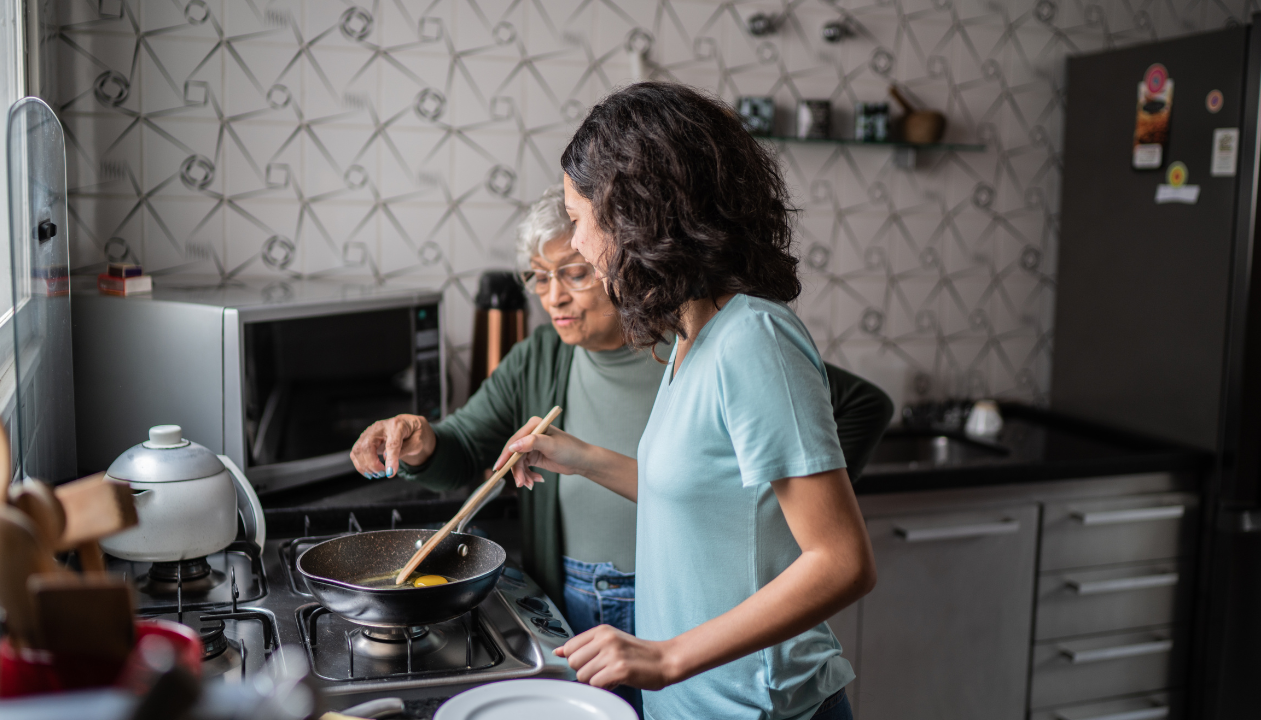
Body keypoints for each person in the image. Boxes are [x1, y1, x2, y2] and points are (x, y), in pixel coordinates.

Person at [351, 181, 890, 717]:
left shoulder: (723, 339)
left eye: (577, 268)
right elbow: (466, 449)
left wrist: (791, 496)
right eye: (539, 278)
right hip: (601, 604)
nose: (553, 295)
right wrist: (424, 442)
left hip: (709, 634)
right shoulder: (628, 350)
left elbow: (838, 531)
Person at [494, 82, 880, 720]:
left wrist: (665, 658)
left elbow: (842, 562)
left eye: (581, 217)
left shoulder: (753, 338)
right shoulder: (687, 339)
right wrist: (584, 457)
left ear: (635, 215)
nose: (581, 244)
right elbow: (711, 506)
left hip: (764, 707)